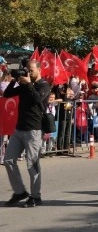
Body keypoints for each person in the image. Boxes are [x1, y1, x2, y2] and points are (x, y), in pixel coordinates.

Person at [3, 60, 52, 207]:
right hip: (19, 129)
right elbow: (7, 93)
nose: (28, 73)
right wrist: (15, 80)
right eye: (27, 70)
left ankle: (36, 196)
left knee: (32, 164)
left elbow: (37, 98)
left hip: (34, 130)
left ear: (39, 69)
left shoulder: (44, 85)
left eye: (31, 70)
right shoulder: (24, 84)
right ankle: (19, 192)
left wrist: (29, 83)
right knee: (8, 160)